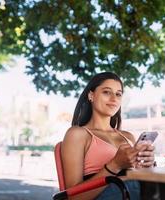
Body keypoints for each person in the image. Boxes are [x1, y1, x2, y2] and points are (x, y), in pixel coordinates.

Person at [61, 72, 155, 200]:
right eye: (106, 92)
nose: (114, 99)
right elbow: (73, 196)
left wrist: (147, 166)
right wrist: (115, 165)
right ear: (91, 95)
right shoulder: (77, 134)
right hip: (116, 192)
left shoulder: (128, 137)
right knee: (132, 185)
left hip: (131, 191)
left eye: (118, 94)